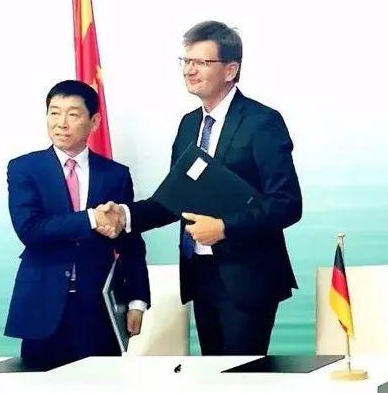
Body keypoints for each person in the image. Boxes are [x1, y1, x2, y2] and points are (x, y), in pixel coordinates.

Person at [97, 21, 302, 355]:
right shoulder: (189, 124)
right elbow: (174, 199)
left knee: (241, 377)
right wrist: (125, 215)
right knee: (211, 375)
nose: (189, 70)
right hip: (200, 274)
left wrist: (224, 228)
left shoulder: (261, 122)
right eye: (186, 61)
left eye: (201, 62)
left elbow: (287, 203)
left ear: (231, 70)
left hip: (247, 277)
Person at [4, 80, 150, 369]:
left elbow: (131, 241)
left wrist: (137, 300)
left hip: (97, 307)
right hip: (42, 304)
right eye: (54, 113)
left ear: (94, 121)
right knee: (42, 385)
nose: (61, 123)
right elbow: (30, 229)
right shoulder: (24, 168)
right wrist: (91, 218)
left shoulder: (115, 174)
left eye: (72, 114)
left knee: (100, 384)